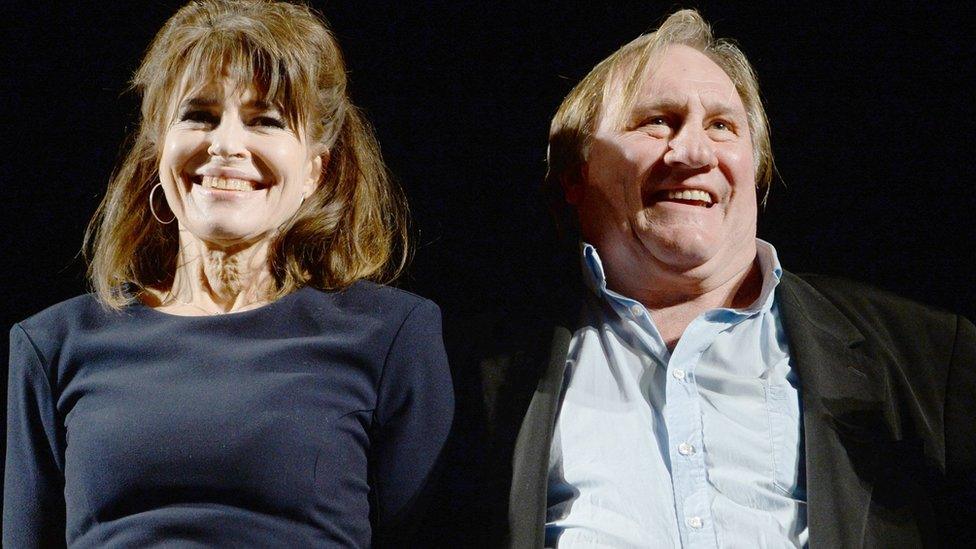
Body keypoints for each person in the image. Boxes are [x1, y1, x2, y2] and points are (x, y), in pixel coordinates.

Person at [454, 9, 974, 548]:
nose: (694, 153)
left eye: (722, 126)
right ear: (574, 175)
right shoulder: (475, 374)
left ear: (755, 168)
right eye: (656, 121)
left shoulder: (926, 357)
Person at [3, 1, 452, 546]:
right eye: (198, 115)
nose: (226, 145)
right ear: (158, 151)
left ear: (316, 168)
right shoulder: (53, 345)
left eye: (265, 121)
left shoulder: (390, 336)